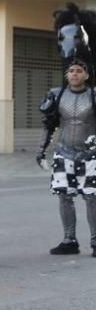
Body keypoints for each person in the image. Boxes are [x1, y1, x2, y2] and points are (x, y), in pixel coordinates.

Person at [37, 59, 96, 255]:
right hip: (64, 153)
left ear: (86, 75)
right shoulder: (56, 95)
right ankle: (69, 239)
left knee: (92, 197)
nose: (75, 74)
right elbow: (49, 124)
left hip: (90, 154)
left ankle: (95, 241)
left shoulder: (94, 95)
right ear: (66, 75)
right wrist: (41, 150)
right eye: (71, 71)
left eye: (79, 71)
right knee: (64, 197)